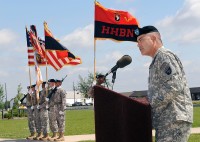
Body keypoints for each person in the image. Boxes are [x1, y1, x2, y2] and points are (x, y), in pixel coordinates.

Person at [134, 25, 193, 142]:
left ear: (154, 39)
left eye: (141, 39)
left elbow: (174, 86)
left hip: (174, 120)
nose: (138, 44)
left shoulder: (164, 56)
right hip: (166, 121)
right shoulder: (157, 59)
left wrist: (149, 101)